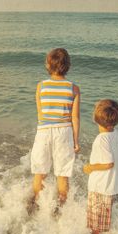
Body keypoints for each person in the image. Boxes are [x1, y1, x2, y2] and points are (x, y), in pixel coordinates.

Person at [29, 48, 80, 213]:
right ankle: (61, 209)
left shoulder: (40, 86)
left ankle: (36, 205)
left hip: (44, 130)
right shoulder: (73, 89)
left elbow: (40, 113)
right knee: (62, 175)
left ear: (48, 65)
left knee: (40, 172)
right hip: (64, 132)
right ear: (68, 66)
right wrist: (76, 141)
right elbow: (75, 118)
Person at [83, 99, 118, 234]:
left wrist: (90, 167)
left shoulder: (101, 139)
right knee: (103, 215)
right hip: (110, 184)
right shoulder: (116, 134)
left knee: (95, 219)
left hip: (100, 185)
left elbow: (108, 163)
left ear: (95, 118)